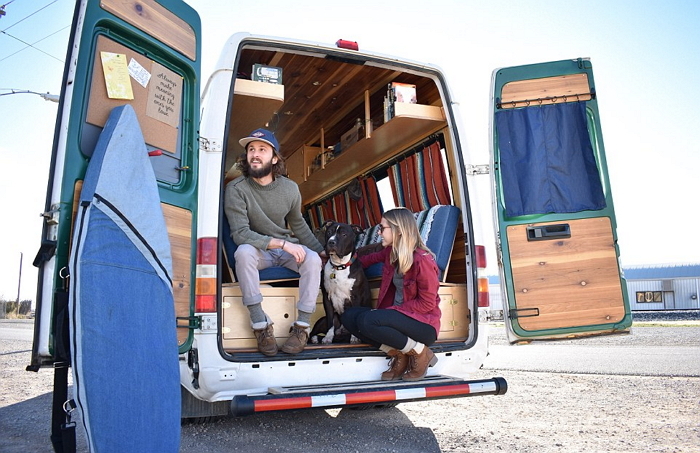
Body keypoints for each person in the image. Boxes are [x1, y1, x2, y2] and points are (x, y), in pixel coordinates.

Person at [225, 128, 325, 356]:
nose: (255, 154)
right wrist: (281, 244)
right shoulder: (236, 189)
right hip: (261, 251)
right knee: (243, 252)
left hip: (287, 251)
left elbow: (298, 225)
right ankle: (260, 324)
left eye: (262, 149)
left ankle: (302, 327)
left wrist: (321, 252)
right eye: (251, 149)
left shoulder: (290, 189)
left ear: (275, 158)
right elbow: (240, 233)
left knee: (311, 259)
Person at [341, 207, 441, 381]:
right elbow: (366, 260)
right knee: (348, 316)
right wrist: (339, 263)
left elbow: (427, 304)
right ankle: (400, 354)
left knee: (369, 320)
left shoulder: (422, 260)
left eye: (382, 228)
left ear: (398, 230)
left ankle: (420, 352)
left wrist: (392, 311)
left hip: (423, 323)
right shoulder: (391, 252)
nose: (379, 233)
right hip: (398, 317)